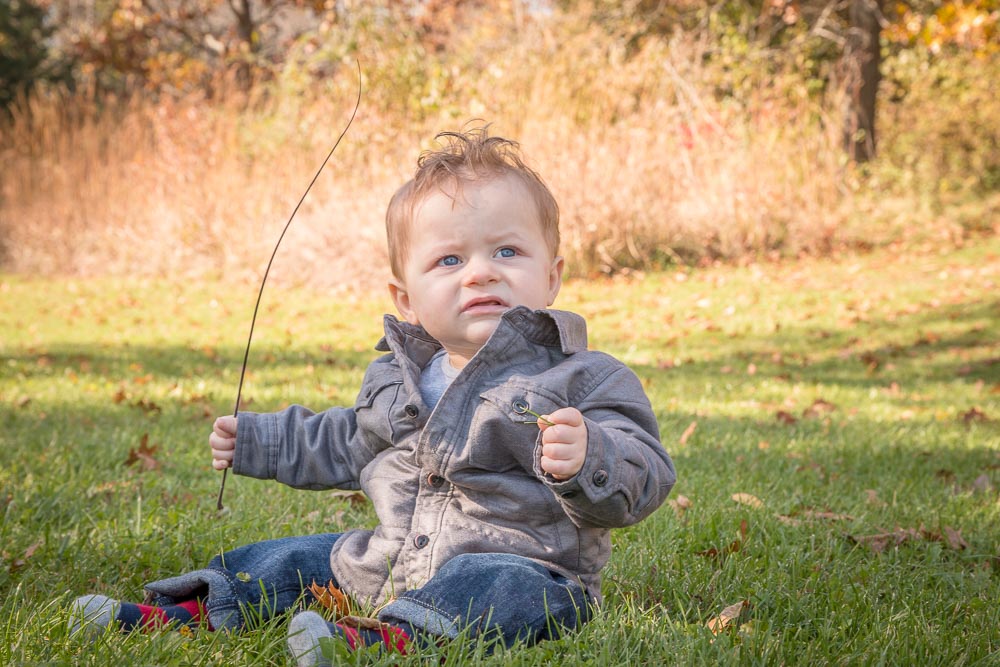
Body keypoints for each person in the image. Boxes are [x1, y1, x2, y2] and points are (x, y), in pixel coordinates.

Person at [71, 126, 676, 666]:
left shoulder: (584, 379)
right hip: (390, 564)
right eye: (448, 259)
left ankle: (383, 642)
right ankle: (184, 615)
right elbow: (343, 441)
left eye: (508, 251)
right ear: (406, 299)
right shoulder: (397, 378)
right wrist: (258, 440)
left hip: (528, 568)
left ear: (552, 276)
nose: (480, 272)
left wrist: (589, 455)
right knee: (299, 558)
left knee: (497, 587)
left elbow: (645, 471)